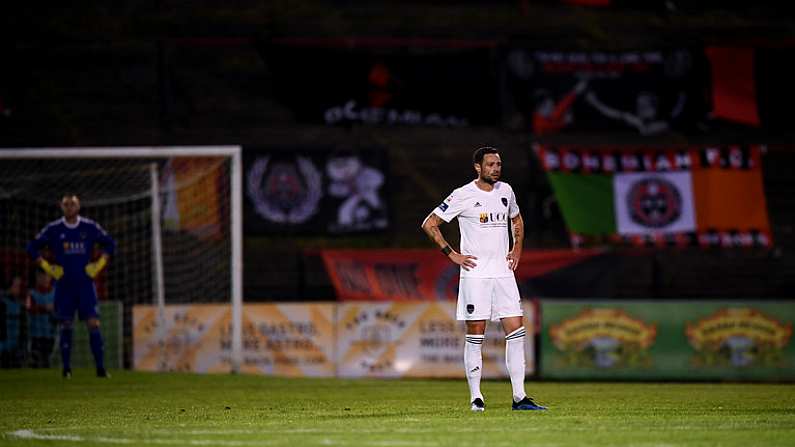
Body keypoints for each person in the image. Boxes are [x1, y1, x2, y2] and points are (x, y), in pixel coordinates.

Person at [421, 147, 546, 412]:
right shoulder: (462, 194)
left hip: (503, 273)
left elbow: (517, 219)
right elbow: (430, 223)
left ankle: (520, 397)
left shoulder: (506, 191)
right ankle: (476, 398)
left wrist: (517, 248)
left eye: (498, 164)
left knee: (516, 329)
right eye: (490, 164)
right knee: (476, 332)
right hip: (475, 275)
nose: (496, 168)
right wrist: (451, 254)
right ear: (477, 167)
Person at [27, 194, 115, 378]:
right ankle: (66, 369)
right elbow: (32, 248)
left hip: (85, 285)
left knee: (93, 323)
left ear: (79, 206)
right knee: (66, 324)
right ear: (61, 206)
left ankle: (100, 368)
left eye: (73, 204)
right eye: (66, 204)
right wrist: (48, 267)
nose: (69, 207)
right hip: (64, 285)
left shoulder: (89, 227)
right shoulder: (53, 229)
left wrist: (98, 265)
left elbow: (110, 244)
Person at [27, 267, 57, 368]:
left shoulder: (55, 293)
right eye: (41, 276)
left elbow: (60, 310)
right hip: (35, 335)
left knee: (47, 361)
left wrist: (55, 310)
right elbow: (29, 308)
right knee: (35, 361)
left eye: (46, 276)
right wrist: (45, 308)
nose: (44, 279)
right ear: (37, 278)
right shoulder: (31, 293)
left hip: (50, 334)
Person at [1, 274, 27, 368]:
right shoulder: (3, 303)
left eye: (19, 286)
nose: (18, 289)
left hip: (16, 346)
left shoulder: (21, 306)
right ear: (9, 287)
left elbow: (23, 328)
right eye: (16, 286)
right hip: (3, 345)